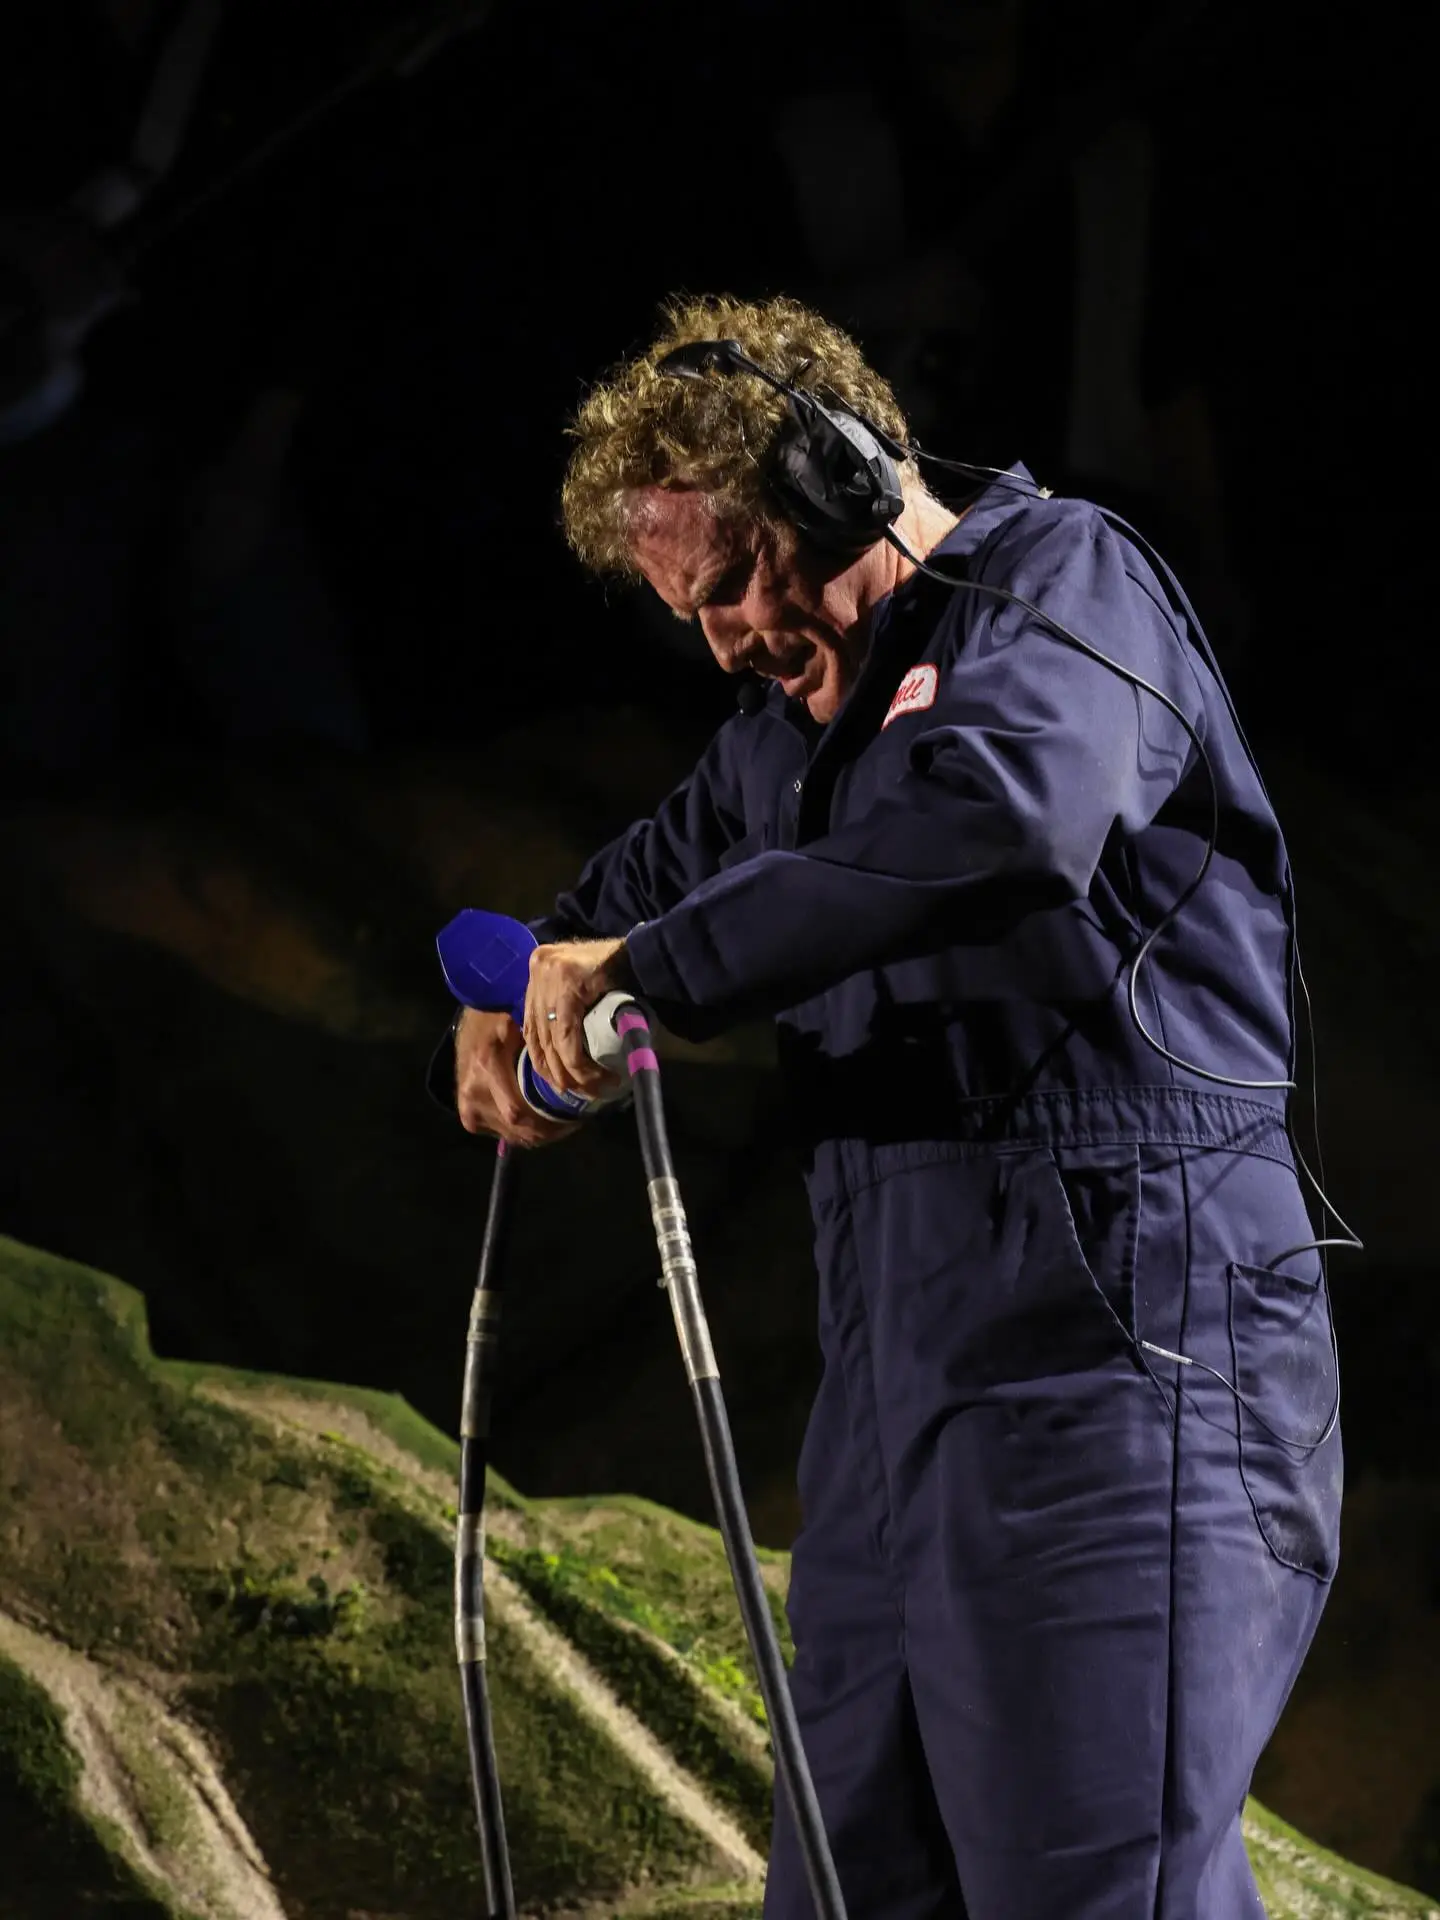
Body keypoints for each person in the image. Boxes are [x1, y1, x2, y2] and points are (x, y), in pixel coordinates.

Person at [440, 293, 1341, 1919]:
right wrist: (509, 991)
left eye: (732, 587)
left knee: (1093, 1886)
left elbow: (1012, 818)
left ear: (840, 477)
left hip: (1125, 1349)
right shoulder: (785, 735)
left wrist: (646, 965)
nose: (718, 642)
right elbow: (617, 901)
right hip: (897, 1382)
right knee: (860, 1886)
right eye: (682, 612)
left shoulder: (1065, 589)